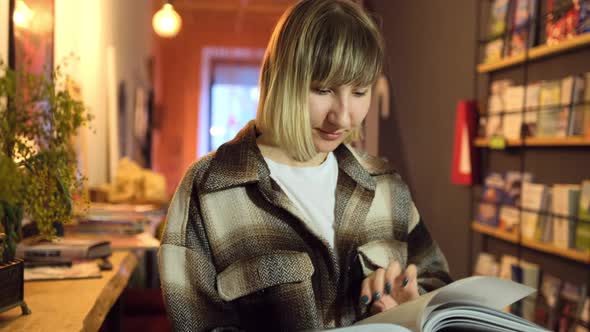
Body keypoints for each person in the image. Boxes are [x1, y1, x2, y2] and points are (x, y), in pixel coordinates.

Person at [158, 0, 452, 331]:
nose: (342, 116)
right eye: (322, 89)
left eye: (359, 92)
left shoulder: (386, 185)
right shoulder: (210, 187)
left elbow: (437, 285)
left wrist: (411, 306)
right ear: (281, 78)